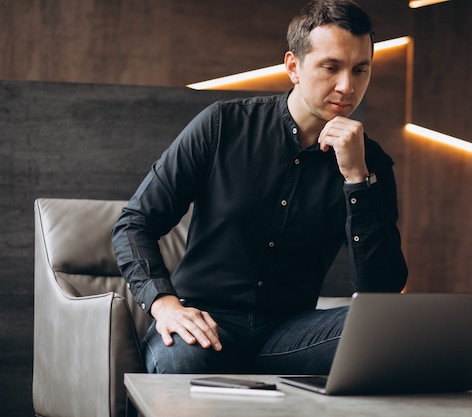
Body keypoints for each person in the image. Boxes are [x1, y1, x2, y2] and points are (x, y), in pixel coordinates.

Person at [112, 0, 407, 375]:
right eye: (331, 67)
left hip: (290, 334)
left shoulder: (370, 163)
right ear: (293, 67)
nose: (347, 86)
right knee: (184, 363)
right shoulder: (222, 126)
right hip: (203, 324)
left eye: (360, 69)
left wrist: (355, 180)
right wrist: (164, 304)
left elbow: (381, 292)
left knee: (382, 329)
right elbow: (133, 224)